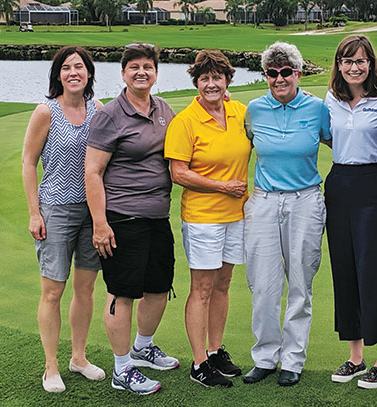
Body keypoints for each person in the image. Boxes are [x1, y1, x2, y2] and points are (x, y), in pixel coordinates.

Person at [85, 43, 179, 396]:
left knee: (158, 286)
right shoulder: (110, 115)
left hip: (158, 216)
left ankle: (143, 347)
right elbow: (92, 172)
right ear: (123, 73)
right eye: (134, 67)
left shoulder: (163, 109)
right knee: (122, 292)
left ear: (156, 72)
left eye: (148, 67)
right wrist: (100, 223)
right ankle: (122, 367)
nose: (142, 72)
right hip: (122, 217)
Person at [243, 42, 331, 387]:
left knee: (300, 282)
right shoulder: (254, 109)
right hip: (264, 201)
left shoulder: (318, 108)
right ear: (266, 75)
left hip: (306, 201)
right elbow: (242, 147)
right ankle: (265, 356)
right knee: (263, 285)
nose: (279, 79)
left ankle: (293, 359)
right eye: (272, 73)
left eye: (286, 72)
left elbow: (340, 142)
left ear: (298, 73)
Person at [165, 50, 251, 388]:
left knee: (223, 284)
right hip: (202, 217)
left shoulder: (241, 113)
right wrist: (222, 186)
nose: (212, 84)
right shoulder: (185, 121)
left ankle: (215, 351)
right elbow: (178, 173)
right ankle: (199, 363)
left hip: (236, 215)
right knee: (201, 288)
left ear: (228, 81)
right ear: (197, 83)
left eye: (218, 78)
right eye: (205, 78)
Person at [22, 46, 105, 393]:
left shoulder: (97, 110)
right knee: (53, 291)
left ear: (88, 74)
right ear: (58, 75)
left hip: (91, 212)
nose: (74, 73)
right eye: (67, 67)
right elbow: (28, 163)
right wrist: (34, 212)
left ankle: (78, 357)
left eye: (80, 67)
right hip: (55, 209)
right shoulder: (47, 112)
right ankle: (51, 366)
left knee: (85, 290)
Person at [324, 35, 377, 389]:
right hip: (340, 184)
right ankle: (356, 357)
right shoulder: (331, 99)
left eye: (359, 61)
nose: (353, 67)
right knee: (345, 269)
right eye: (346, 61)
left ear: (371, 63)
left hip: (374, 185)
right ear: (338, 66)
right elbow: (325, 134)